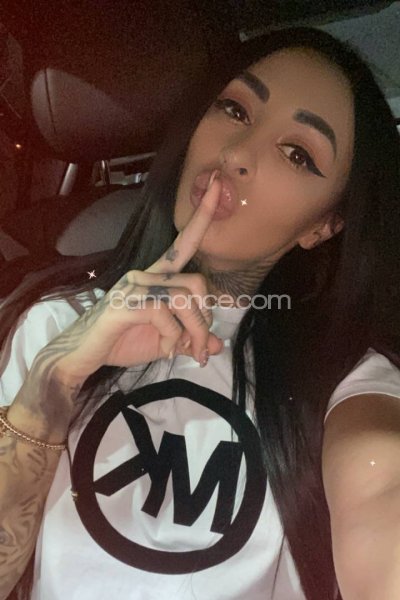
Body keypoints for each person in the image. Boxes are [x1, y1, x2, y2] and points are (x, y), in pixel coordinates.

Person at [1, 26, 400, 600]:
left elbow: (379, 484)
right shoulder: (55, 323)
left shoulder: (344, 379)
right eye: (235, 110)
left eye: (297, 154)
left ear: (323, 226)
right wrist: (53, 382)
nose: (236, 154)